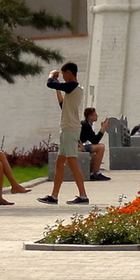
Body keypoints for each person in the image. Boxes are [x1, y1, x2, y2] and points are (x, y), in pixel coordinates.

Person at [45, 63, 91, 205]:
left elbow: (50, 84)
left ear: (70, 73)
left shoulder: (73, 86)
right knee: (60, 163)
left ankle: (83, 195)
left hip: (70, 129)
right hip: (67, 129)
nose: (63, 77)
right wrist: (58, 88)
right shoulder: (72, 90)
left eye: (64, 74)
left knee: (72, 162)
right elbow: (62, 105)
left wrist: (52, 76)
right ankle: (54, 196)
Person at [79, 101, 110, 181]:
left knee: (98, 149)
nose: (97, 116)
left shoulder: (87, 124)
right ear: (89, 116)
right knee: (101, 147)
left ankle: (95, 172)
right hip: (78, 147)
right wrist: (103, 129)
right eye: (95, 115)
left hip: (81, 146)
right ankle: (94, 173)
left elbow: (93, 139)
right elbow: (95, 141)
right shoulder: (85, 125)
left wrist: (102, 129)